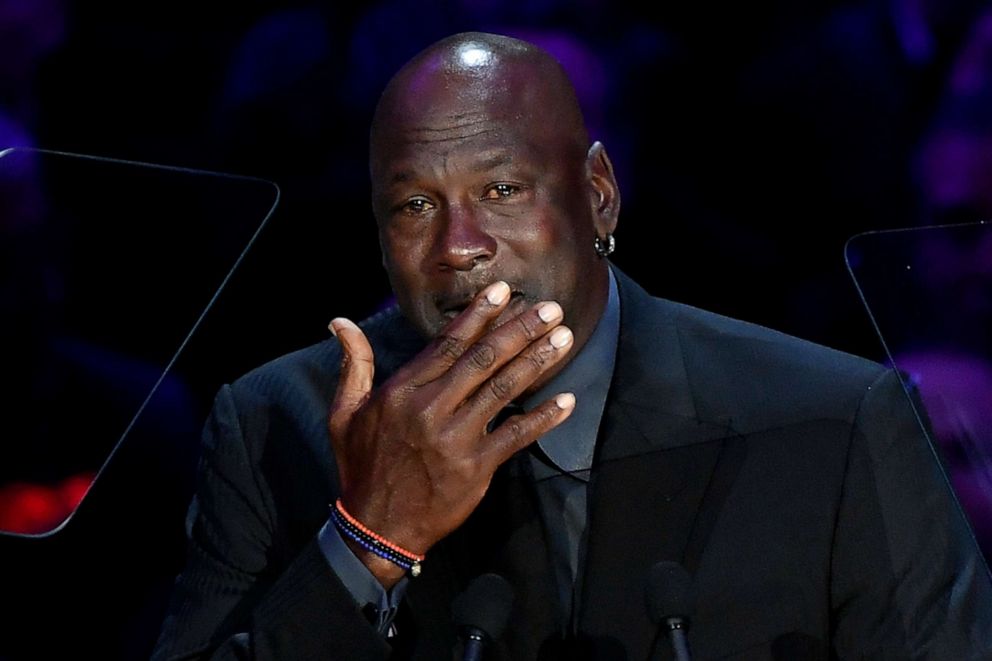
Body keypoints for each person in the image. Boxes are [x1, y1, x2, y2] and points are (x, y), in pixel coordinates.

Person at [152, 31, 992, 660]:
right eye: (414, 207)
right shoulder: (274, 423)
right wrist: (369, 539)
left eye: (502, 188)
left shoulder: (834, 424)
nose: (459, 244)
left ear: (597, 197)